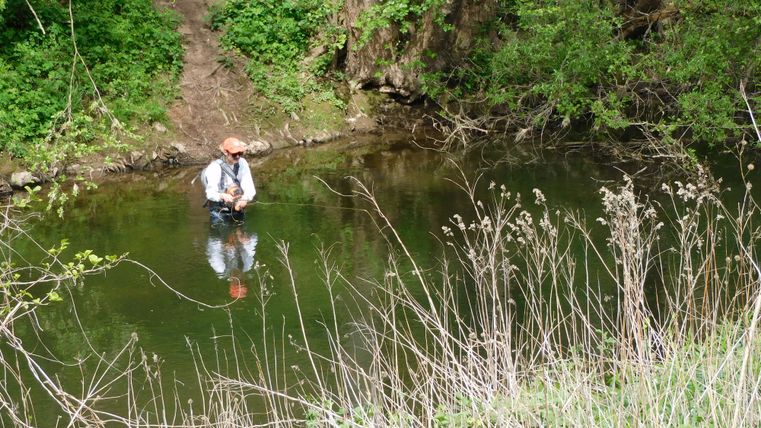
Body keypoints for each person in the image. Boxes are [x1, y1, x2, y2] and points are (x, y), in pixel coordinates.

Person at [204, 137, 256, 223]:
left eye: (240, 153)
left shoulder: (242, 163)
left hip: (237, 207)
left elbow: (249, 187)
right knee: (220, 232)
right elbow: (210, 194)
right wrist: (222, 196)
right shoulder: (214, 168)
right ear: (225, 152)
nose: (238, 156)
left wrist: (245, 198)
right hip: (218, 210)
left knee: (242, 233)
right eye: (234, 154)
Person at [206, 225, 258, 299]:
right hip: (238, 225)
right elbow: (254, 236)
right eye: (242, 280)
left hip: (219, 225)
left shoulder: (220, 268)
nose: (239, 277)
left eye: (237, 282)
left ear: (231, 283)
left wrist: (223, 244)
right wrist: (246, 239)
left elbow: (212, 240)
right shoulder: (247, 264)